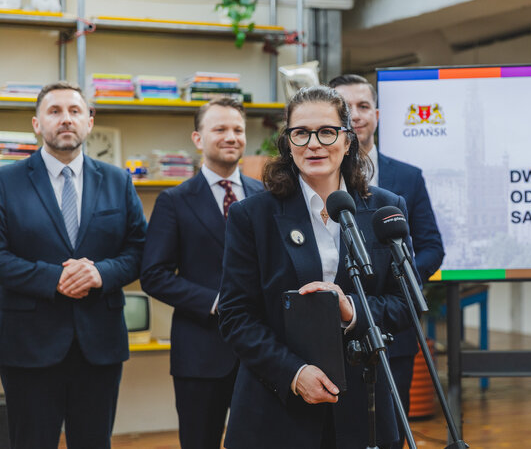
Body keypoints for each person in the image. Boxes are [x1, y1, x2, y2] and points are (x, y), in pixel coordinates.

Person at [217, 85, 414, 449]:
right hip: (276, 407)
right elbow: (236, 315)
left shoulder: (386, 208)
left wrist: (351, 309)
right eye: (301, 133)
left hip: (363, 405)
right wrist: (294, 372)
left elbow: (406, 303)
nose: (313, 144)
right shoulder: (252, 215)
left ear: (348, 140)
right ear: (287, 142)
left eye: (326, 132)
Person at [0, 81, 147, 449]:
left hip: (99, 345)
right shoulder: (5, 181)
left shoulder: (118, 180)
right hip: (28, 346)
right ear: (37, 124)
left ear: (89, 121)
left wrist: (100, 272)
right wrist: (55, 277)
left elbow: (139, 250)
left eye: (75, 111)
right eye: (54, 111)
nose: (65, 119)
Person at [140, 98, 264, 449]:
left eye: (238, 129)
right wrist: (217, 302)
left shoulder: (265, 196)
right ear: (198, 138)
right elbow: (154, 275)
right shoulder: (174, 201)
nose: (231, 137)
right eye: (220, 129)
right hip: (201, 352)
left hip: (261, 350)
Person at [329, 74, 444, 442]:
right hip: (336, 332)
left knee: (392, 431)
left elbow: (431, 247)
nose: (356, 115)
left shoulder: (408, 177)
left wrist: (397, 278)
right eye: (346, 108)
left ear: (376, 114)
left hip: (394, 326)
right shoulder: (318, 178)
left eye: (363, 106)